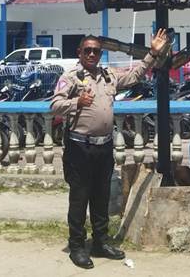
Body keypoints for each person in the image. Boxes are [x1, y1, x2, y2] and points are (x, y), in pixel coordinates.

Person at [50, 29, 169, 270]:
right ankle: (77, 246)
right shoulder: (71, 77)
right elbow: (54, 105)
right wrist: (76, 103)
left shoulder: (108, 76)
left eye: (96, 51)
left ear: (100, 54)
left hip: (104, 147)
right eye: (88, 50)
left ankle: (100, 242)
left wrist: (152, 53)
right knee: (79, 197)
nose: (92, 54)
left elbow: (135, 76)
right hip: (79, 147)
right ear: (80, 53)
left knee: (101, 196)